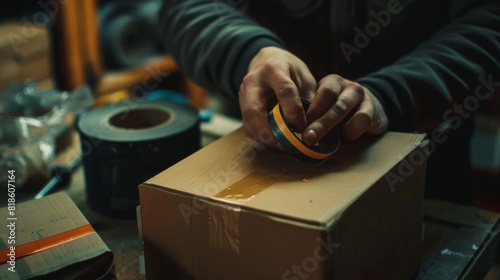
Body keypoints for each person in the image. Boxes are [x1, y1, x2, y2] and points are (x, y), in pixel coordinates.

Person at [158, 0, 500, 205]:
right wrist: (249, 52)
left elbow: (490, 18)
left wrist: (395, 93)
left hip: (426, 170)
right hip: (269, 165)